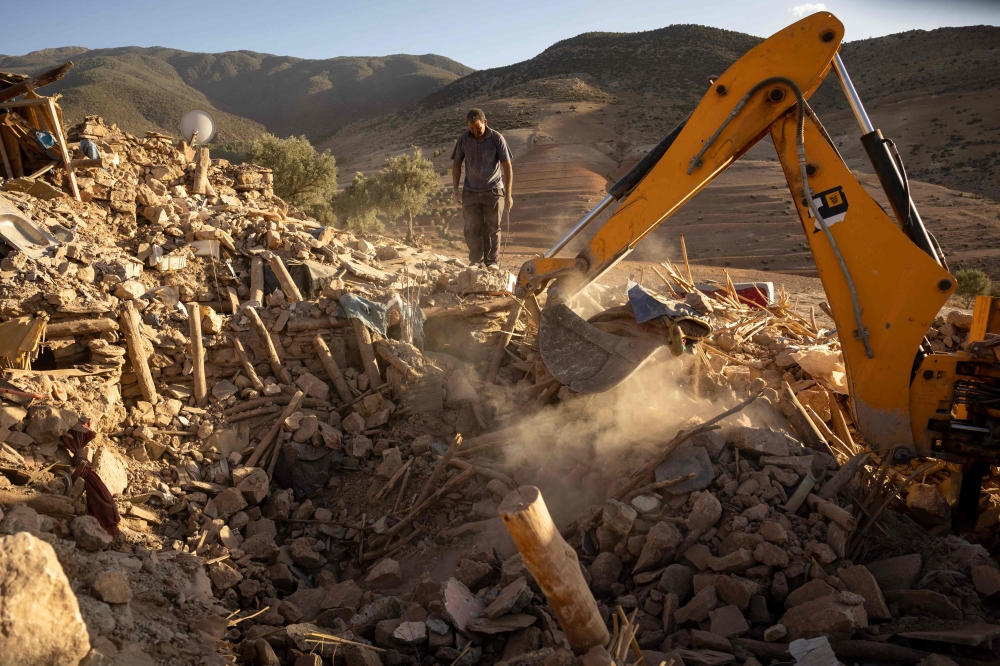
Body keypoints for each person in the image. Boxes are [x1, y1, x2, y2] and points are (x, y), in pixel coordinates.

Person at [452, 108, 513, 268]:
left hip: (493, 191)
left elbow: (507, 167)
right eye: (471, 129)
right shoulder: (463, 139)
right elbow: (456, 164)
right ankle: (475, 262)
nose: (475, 132)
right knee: (472, 228)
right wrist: (455, 190)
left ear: (485, 122)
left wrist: (509, 195)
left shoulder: (497, 139)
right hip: (470, 192)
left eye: (477, 128)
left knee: (492, 228)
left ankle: (492, 263)